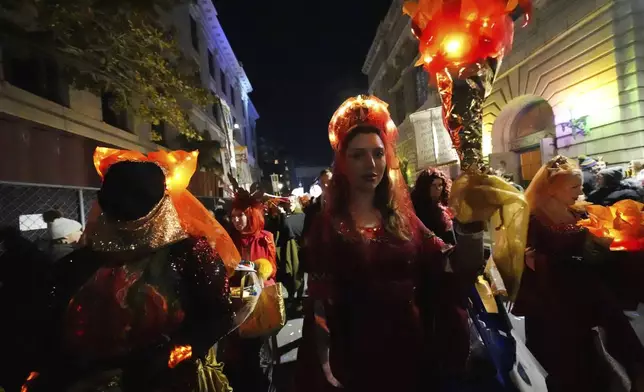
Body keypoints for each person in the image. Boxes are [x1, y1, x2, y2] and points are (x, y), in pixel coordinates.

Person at [295, 95, 484, 392]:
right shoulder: (327, 226)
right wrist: (326, 370)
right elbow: (319, 309)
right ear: (343, 162)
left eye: (378, 153)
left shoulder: (404, 220)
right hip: (355, 359)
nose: (371, 164)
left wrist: (473, 223)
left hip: (411, 350)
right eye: (358, 155)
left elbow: (454, 266)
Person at [22, 148, 240, 392]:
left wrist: (172, 354)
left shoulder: (187, 253)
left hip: (166, 382)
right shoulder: (77, 264)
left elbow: (218, 315)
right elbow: (48, 332)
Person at [512, 155, 644, 392]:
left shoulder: (579, 212)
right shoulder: (533, 218)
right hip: (556, 300)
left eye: (580, 185)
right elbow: (528, 257)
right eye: (574, 186)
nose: (580, 191)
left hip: (588, 290)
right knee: (570, 363)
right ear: (552, 188)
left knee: (615, 347)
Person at [222, 185, 277, 392]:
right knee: (238, 353)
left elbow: (271, 269)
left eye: (240, 216)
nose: (236, 220)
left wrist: (256, 269)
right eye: (233, 216)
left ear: (251, 215)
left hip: (259, 299)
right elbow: (227, 268)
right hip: (235, 299)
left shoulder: (265, 237)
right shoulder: (228, 239)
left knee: (260, 354)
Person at [411, 167, 456, 245]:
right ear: (425, 187)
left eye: (440, 185)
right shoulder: (418, 208)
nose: (437, 189)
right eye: (433, 185)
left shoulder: (443, 203)